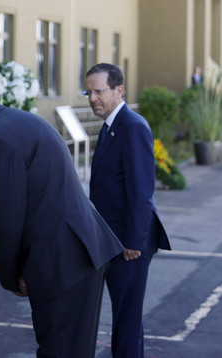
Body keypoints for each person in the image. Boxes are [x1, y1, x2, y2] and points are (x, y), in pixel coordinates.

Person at [0, 86, 124, 357]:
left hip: (61, 262)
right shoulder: (17, 120)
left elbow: (5, 220)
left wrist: (9, 276)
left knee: (59, 351)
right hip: (81, 252)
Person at [85, 63, 171, 358]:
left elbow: (141, 190)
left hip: (129, 243)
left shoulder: (132, 126)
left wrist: (134, 242)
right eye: (89, 91)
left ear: (119, 90)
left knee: (127, 320)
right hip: (114, 239)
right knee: (127, 319)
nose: (92, 98)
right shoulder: (111, 125)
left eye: (99, 91)